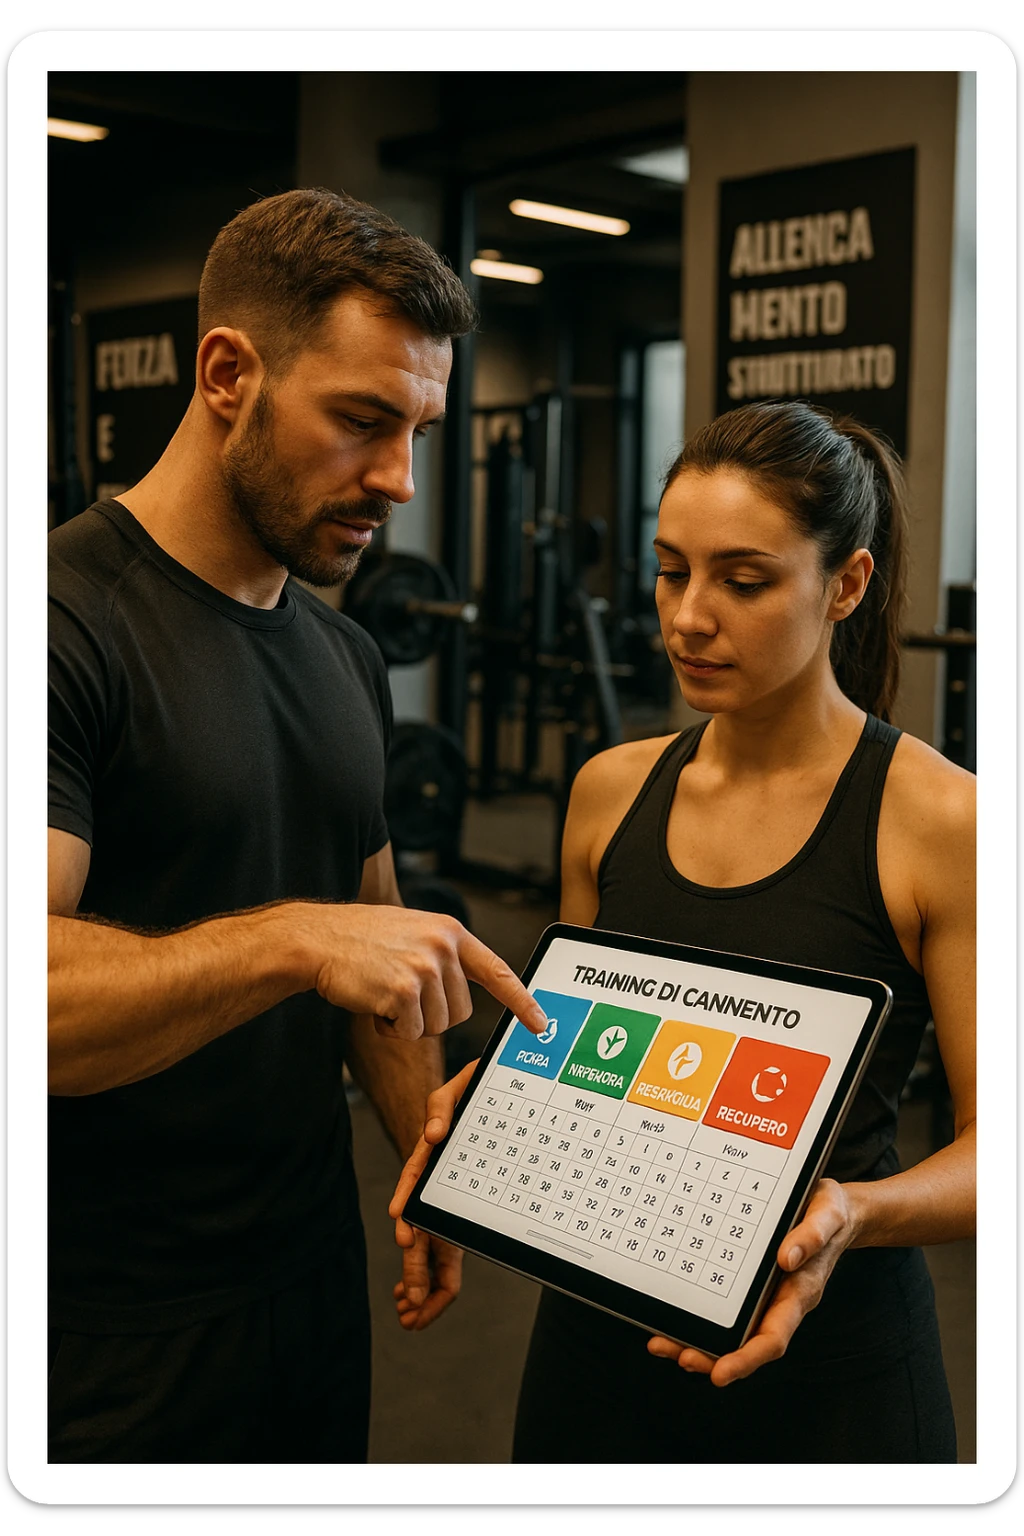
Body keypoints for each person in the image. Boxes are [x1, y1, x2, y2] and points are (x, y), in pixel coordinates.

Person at [47, 186, 547, 1465]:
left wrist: (420, 1156)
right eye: (363, 422)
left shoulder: (343, 652)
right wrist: (285, 940)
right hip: (104, 1325)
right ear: (229, 373)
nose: (401, 481)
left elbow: (374, 938)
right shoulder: (59, 626)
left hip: (312, 1280)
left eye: (420, 431)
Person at [390, 399, 975, 1463]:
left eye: (743, 581)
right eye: (671, 571)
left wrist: (849, 1214)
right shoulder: (608, 792)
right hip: (598, 1334)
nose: (688, 617)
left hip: (822, 1353)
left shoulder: (940, 820)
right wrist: (503, 1101)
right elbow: (565, 1047)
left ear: (844, 584)